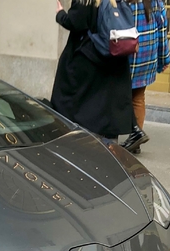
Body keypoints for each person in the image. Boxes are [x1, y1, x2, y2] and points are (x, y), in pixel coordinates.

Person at [51, 0, 134, 143]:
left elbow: (75, 22)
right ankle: (108, 152)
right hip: (115, 61)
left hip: (90, 59)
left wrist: (60, 15)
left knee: (77, 110)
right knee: (108, 117)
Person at [122, 0, 170, 154]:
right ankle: (135, 139)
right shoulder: (155, 1)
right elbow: (162, 29)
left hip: (127, 53)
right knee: (138, 97)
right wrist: (164, 58)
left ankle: (116, 137)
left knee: (117, 96)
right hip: (147, 55)